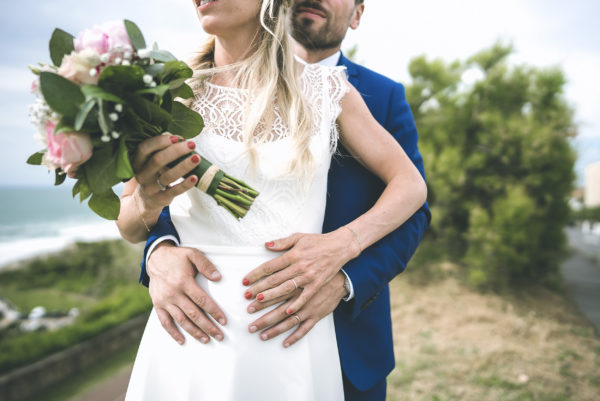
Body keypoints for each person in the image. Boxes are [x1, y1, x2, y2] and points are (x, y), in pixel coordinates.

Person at [119, 0, 429, 400]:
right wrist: (158, 249)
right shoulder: (168, 96)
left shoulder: (342, 91)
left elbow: (412, 195)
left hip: (303, 329)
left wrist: (343, 252)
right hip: (194, 325)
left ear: (357, 12)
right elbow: (138, 210)